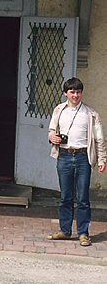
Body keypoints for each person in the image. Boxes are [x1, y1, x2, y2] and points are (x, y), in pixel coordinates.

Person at [46, 77, 106, 247]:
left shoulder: (91, 114)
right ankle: (65, 231)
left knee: (83, 198)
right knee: (65, 197)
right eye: (72, 92)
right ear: (65, 93)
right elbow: (51, 131)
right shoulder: (59, 110)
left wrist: (102, 159)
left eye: (78, 92)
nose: (75, 95)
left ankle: (83, 233)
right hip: (64, 156)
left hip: (82, 158)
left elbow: (99, 138)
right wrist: (52, 137)